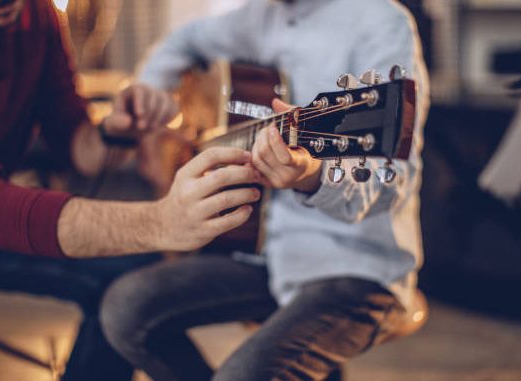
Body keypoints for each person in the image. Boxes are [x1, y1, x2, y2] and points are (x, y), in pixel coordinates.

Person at [99, 0, 430, 380]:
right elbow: (182, 41)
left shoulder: (381, 22)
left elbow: (389, 182)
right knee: (126, 309)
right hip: (267, 253)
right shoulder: (256, 18)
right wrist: (151, 88)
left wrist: (312, 175)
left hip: (357, 269)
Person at [0, 0, 261, 380]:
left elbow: (76, 145)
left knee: (129, 273)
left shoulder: (36, 14)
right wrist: (161, 222)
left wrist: (115, 129)